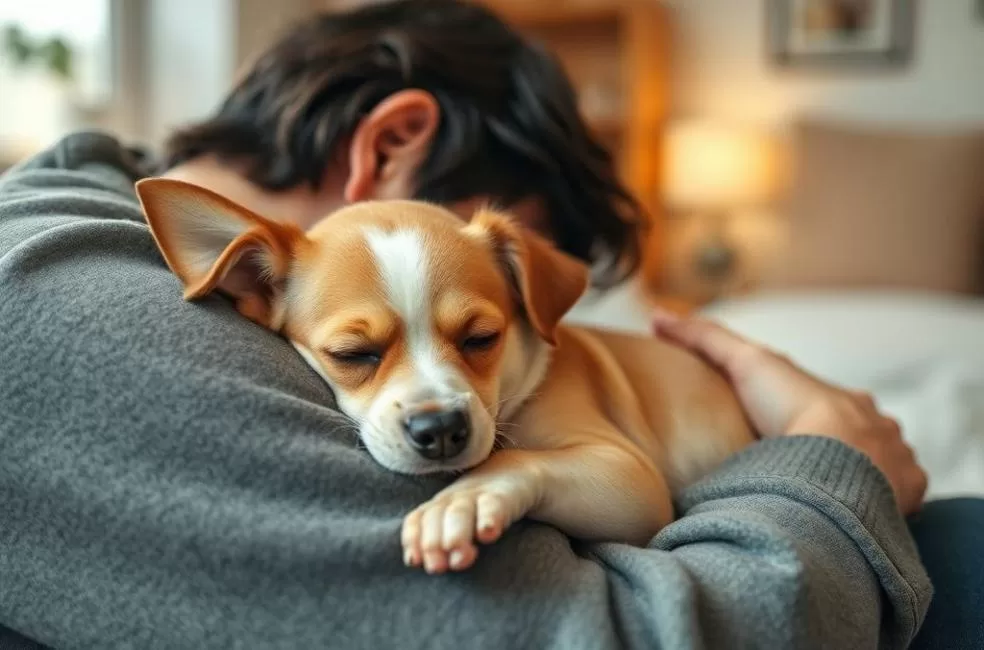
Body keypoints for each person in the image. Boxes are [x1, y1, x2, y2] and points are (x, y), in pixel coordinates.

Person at [0, 0, 974, 647]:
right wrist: (834, 474)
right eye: (358, 349)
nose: (524, 353)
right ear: (390, 144)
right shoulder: (72, 308)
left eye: (482, 329)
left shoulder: (108, 237)